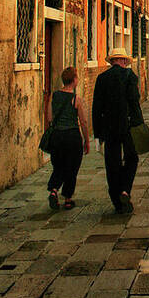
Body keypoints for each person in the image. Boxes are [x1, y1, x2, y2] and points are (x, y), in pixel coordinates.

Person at [92, 47, 141, 213]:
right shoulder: (130, 77)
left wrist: (97, 134)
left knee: (112, 163)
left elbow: (96, 108)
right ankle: (125, 189)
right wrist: (139, 124)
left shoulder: (101, 78)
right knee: (132, 158)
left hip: (109, 127)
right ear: (124, 61)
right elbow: (134, 102)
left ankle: (116, 200)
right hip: (127, 126)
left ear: (112, 61)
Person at [47, 67, 89, 211]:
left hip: (57, 136)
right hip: (72, 136)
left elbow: (49, 118)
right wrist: (87, 140)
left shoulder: (54, 96)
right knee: (72, 167)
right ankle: (68, 199)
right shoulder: (76, 99)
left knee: (58, 165)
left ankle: (53, 190)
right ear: (75, 80)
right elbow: (83, 122)